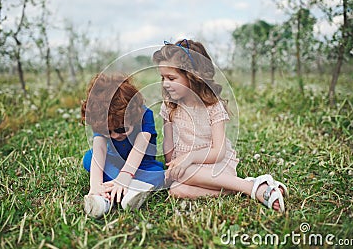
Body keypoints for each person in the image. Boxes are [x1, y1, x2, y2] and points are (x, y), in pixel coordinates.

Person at [153, 39, 288, 212]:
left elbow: (218, 152)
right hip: (186, 167)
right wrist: (171, 165)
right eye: (162, 78)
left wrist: (190, 158)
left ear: (193, 76)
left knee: (186, 174)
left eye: (171, 78)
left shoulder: (212, 106)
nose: (165, 83)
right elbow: (168, 142)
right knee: (177, 190)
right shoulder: (170, 105)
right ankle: (249, 185)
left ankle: (253, 190)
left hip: (215, 165)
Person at [81, 73, 165, 217]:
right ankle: (105, 195)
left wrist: (125, 177)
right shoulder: (102, 117)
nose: (114, 136)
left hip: (141, 165)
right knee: (89, 158)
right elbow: (99, 149)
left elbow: (139, 147)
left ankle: (124, 190)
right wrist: (95, 185)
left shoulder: (145, 115)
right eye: (107, 132)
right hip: (114, 162)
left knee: (159, 175)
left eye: (121, 129)